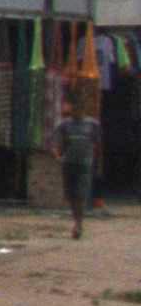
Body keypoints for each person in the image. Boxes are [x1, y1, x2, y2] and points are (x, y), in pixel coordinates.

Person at [60, 91, 103, 239]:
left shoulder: (92, 124)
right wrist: (58, 155)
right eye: (74, 108)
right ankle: (76, 220)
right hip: (68, 163)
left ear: (83, 109)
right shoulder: (64, 124)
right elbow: (59, 142)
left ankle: (78, 224)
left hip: (84, 164)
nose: (76, 111)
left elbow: (98, 144)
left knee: (80, 194)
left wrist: (98, 163)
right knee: (71, 195)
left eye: (79, 108)